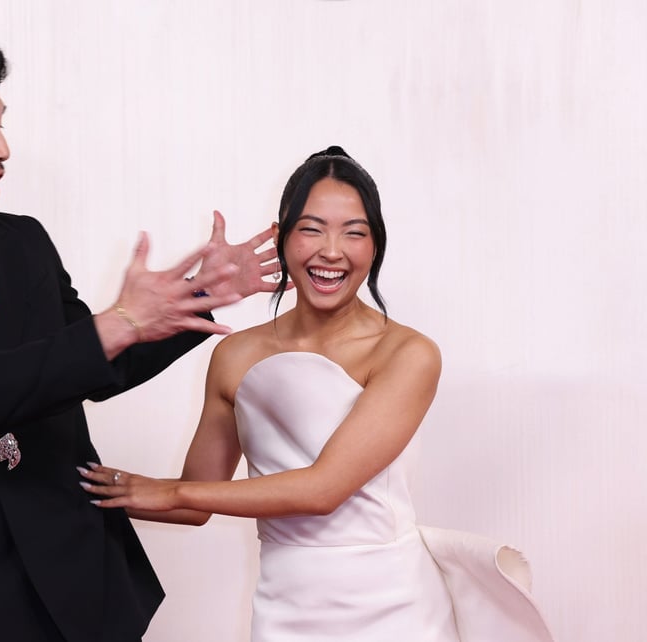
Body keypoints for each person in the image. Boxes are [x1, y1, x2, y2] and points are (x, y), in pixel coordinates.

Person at [0, 32, 282, 642]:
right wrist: (120, 322)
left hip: (87, 572)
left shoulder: (22, 242)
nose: (3, 148)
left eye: (1, 127)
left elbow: (99, 368)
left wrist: (203, 295)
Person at [81, 147, 555, 641]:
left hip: (394, 606)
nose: (332, 251)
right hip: (284, 608)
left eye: (354, 232)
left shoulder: (407, 353)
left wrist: (171, 489)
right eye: (311, 229)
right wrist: (73, 486)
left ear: (375, 247)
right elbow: (196, 504)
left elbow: (323, 489)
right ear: (283, 237)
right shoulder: (234, 355)